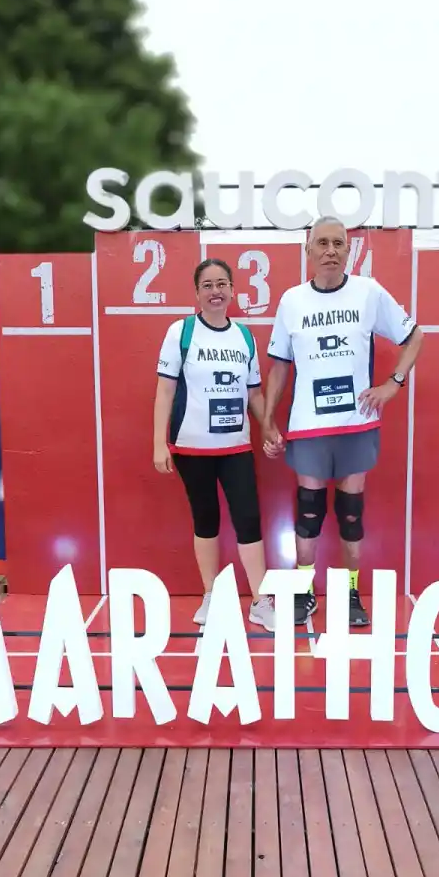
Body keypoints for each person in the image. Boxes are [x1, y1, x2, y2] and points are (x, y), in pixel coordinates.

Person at [262, 215, 424, 627]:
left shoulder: (368, 292)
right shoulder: (292, 301)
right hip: (308, 427)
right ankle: (304, 591)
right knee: (309, 513)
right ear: (308, 250)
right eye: (322, 243)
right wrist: (267, 420)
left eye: (338, 243)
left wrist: (392, 384)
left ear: (348, 250)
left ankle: (350, 591)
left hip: (356, 424)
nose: (330, 250)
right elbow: (279, 365)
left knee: (350, 514)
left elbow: (414, 337)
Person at [153, 257, 275, 632]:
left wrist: (268, 427)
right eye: (207, 285)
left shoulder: (244, 337)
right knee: (206, 520)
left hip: (236, 447)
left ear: (233, 291)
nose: (215, 291)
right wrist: (159, 443)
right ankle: (211, 595)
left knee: (248, 520)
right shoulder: (181, 332)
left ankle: (260, 601)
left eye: (222, 284)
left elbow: (253, 393)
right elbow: (165, 390)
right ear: (197, 293)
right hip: (192, 448)